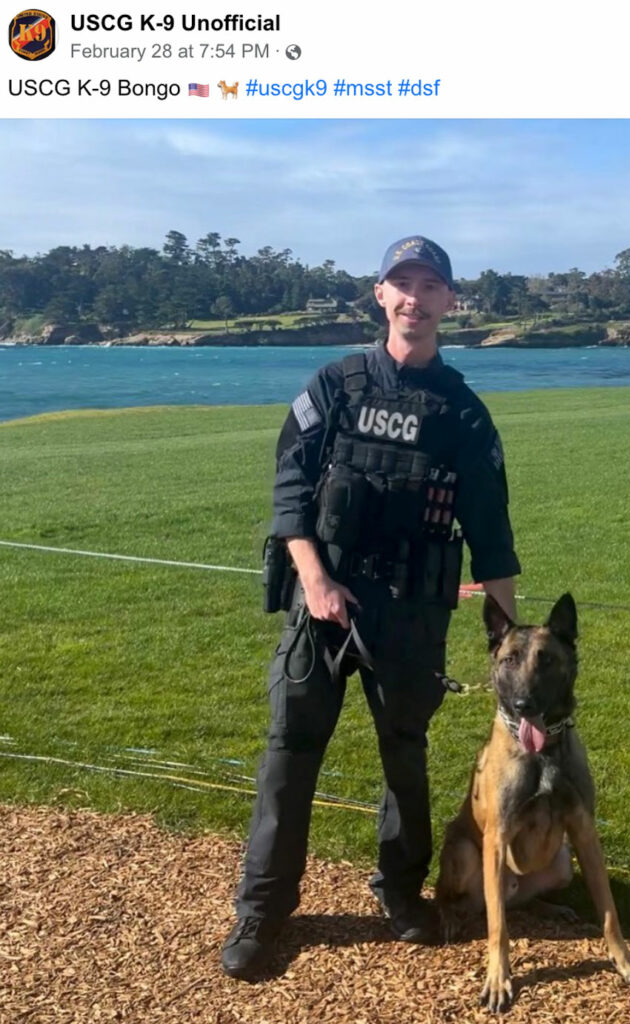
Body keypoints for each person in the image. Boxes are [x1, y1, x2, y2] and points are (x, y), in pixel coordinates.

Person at [221, 235, 520, 980]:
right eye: (401, 284)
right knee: (290, 756)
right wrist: (316, 584)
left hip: (412, 612)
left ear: (449, 301)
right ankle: (262, 912)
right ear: (379, 296)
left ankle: (399, 892)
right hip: (324, 602)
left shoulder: (463, 412)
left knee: (404, 760)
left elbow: (491, 529)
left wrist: (508, 644)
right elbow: (289, 492)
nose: (414, 298)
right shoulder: (334, 385)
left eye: (429, 285)